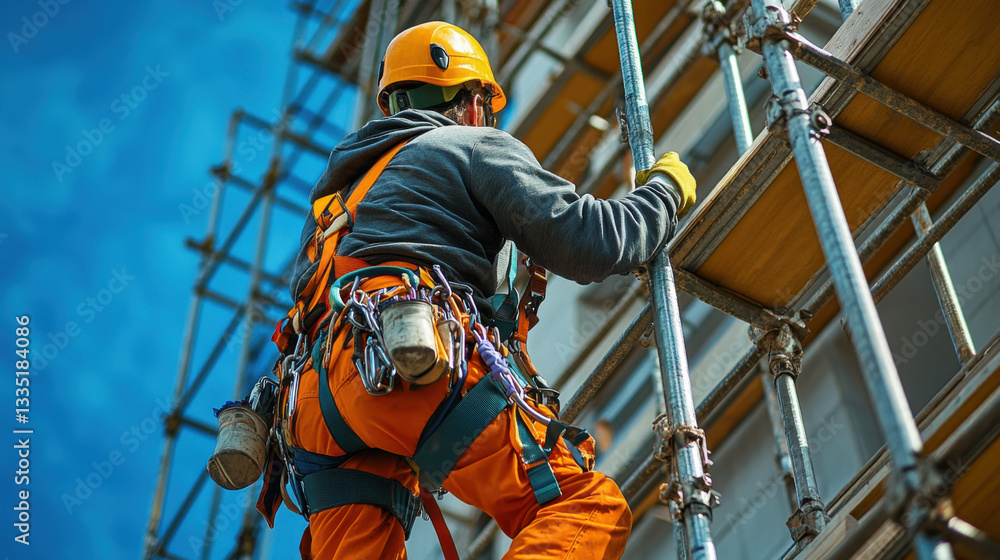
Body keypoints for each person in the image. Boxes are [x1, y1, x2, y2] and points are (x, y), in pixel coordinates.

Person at [276, 20, 696, 560]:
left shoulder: (331, 208)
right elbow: (590, 242)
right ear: (472, 101)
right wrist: (662, 194)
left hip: (312, 411)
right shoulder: (468, 145)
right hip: (403, 357)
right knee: (582, 509)